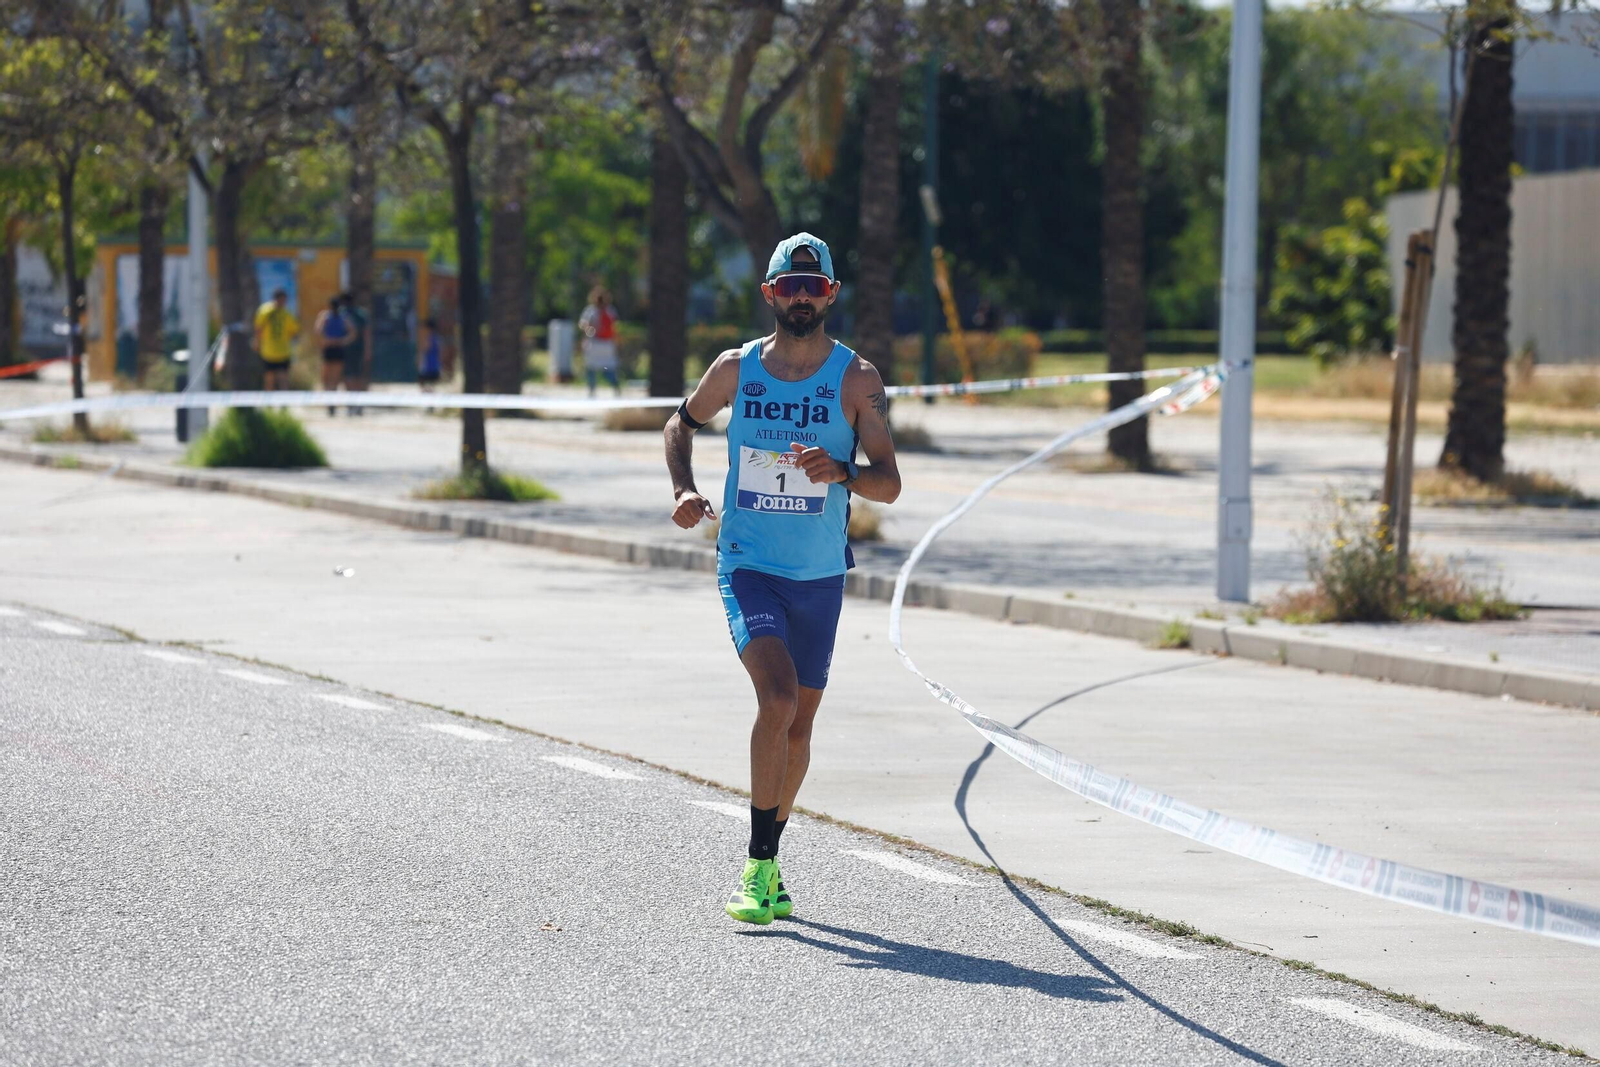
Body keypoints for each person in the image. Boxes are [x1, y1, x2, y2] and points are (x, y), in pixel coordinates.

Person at [662, 233, 901, 926]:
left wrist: (844, 472)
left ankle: (770, 860)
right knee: (777, 699)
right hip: (749, 563)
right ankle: (758, 865)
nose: (800, 298)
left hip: (820, 574)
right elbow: (680, 422)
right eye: (788, 287)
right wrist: (684, 487)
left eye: (812, 287)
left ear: (830, 294)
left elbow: (889, 482)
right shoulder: (736, 370)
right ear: (769, 293)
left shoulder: (857, 380)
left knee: (799, 729)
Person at [254, 288, 300, 392]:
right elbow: (259, 329)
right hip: (269, 350)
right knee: (269, 378)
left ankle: (284, 403)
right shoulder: (265, 311)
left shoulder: (287, 313)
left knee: (283, 377)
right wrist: (257, 342)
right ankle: (268, 403)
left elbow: (294, 331)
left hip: (283, 351)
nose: (283, 302)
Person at [578, 286, 621, 397]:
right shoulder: (611, 310)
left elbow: (583, 324)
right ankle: (616, 387)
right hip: (607, 344)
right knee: (608, 369)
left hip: (594, 343)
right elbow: (615, 327)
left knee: (591, 368)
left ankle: (592, 392)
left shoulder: (590, 311)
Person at [314, 295, 353, 415]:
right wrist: (339, 341)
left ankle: (331, 404)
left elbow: (317, 331)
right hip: (333, 348)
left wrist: (338, 341)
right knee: (330, 378)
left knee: (331, 379)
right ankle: (330, 403)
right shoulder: (331, 317)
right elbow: (318, 331)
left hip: (334, 349)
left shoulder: (332, 317)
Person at [339, 291, 369, 416]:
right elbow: (367, 334)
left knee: (348, 377)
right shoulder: (361, 314)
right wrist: (368, 350)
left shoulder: (341, 313)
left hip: (344, 349)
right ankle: (358, 404)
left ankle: (351, 404)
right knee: (358, 376)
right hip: (358, 349)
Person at [418, 318, 442, 392]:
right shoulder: (437, 337)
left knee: (422, 380)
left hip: (430, 365)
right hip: (435, 364)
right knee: (430, 384)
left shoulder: (430, 338)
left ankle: (428, 394)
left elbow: (425, 348)